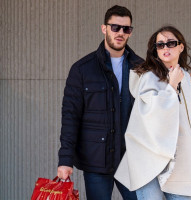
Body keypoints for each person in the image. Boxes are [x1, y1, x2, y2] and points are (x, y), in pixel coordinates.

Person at [57, 5, 143, 200]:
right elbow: (70, 117)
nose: (120, 33)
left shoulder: (141, 68)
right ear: (104, 28)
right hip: (96, 161)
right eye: (115, 27)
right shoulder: (82, 70)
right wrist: (65, 160)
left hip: (131, 161)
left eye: (126, 29)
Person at [114, 25, 191, 200]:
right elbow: (149, 115)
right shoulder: (148, 77)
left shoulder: (187, 77)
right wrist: (171, 86)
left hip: (179, 160)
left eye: (170, 43)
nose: (165, 48)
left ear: (181, 47)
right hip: (148, 158)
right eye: (160, 45)